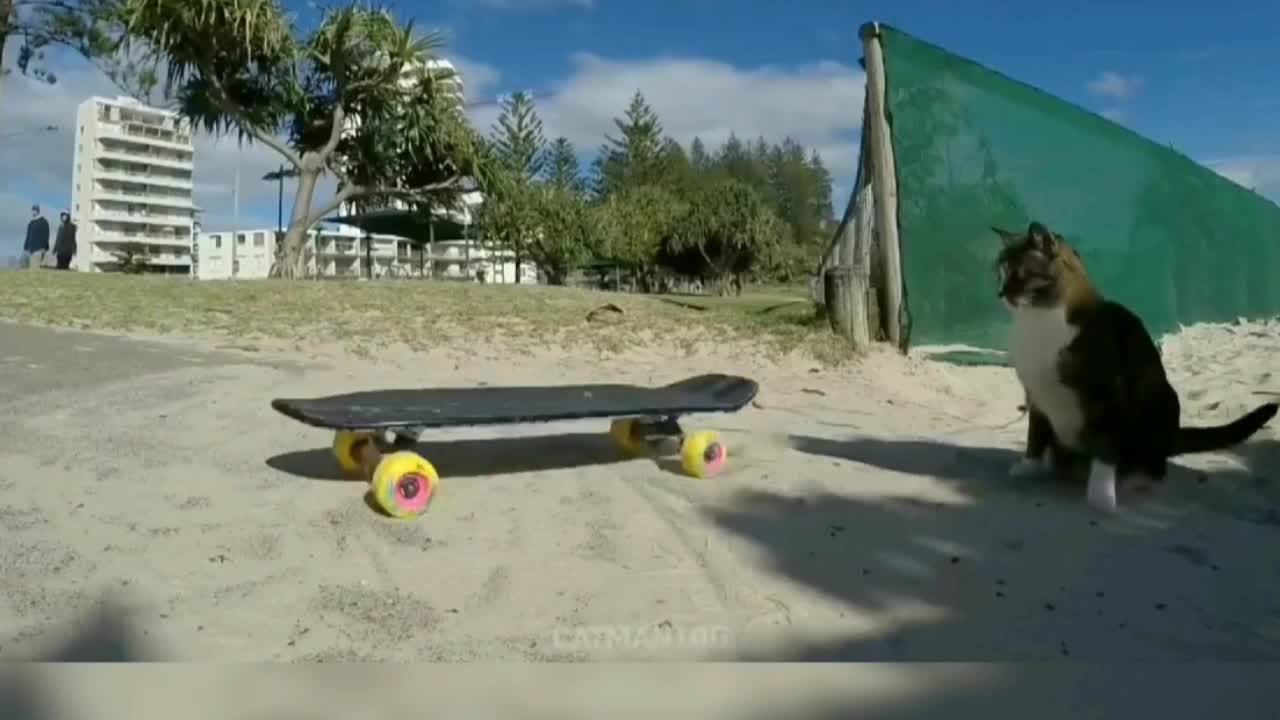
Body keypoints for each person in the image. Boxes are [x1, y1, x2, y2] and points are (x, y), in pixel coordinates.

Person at [21, 204, 50, 269]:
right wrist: (25, 247)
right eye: (32, 210)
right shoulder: (31, 223)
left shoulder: (43, 221)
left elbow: (47, 235)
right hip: (29, 249)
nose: (33, 212)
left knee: (35, 267)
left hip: (39, 249)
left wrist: (44, 248)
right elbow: (28, 236)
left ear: (38, 211)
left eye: (35, 210)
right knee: (27, 267)